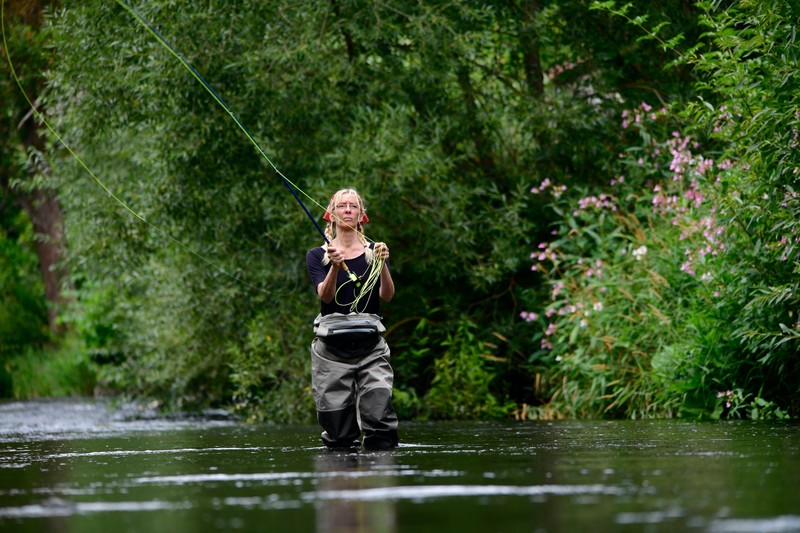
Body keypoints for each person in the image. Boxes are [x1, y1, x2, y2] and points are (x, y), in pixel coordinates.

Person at [306, 188, 399, 450]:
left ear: (362, 217)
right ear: (331, 215)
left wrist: (382, 266)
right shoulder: (317, 255)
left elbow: (388, 296)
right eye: (342, 206)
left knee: (380, 424)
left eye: (353, 206)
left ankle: (378, 484)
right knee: (339, 435)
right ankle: (341, 484)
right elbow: (324, 297)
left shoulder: (376, 251)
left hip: (371, 347)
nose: (347, 210)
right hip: (331, 351)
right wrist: (335, 267)